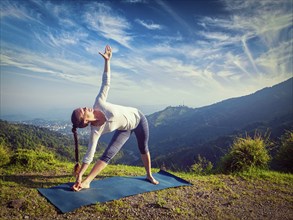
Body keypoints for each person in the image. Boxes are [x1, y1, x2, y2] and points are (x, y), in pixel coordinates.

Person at [71, 45, 159, 191]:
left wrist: (107, 61)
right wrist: (80, 175)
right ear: (85, 121)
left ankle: (149, 175)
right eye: (83, 110)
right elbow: (89, 155)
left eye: (84, 107)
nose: (86, 107)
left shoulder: (98, 103)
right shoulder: (95, 131)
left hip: (139, 119)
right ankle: (87, 182)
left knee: (143, 148)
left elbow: (106, 83)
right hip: (124, 129)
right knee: (108, 154)